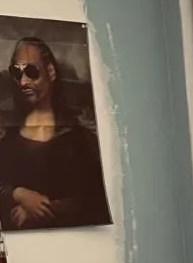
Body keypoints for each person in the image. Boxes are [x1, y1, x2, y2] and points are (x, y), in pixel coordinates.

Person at [0, 38, 111, 229]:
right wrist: (18, 194)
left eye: (31, 72)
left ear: (50, 72)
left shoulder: (78, 138)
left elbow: (92, 199)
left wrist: (39, 209)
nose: (23, 82)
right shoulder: (7, 135)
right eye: (17, 73)